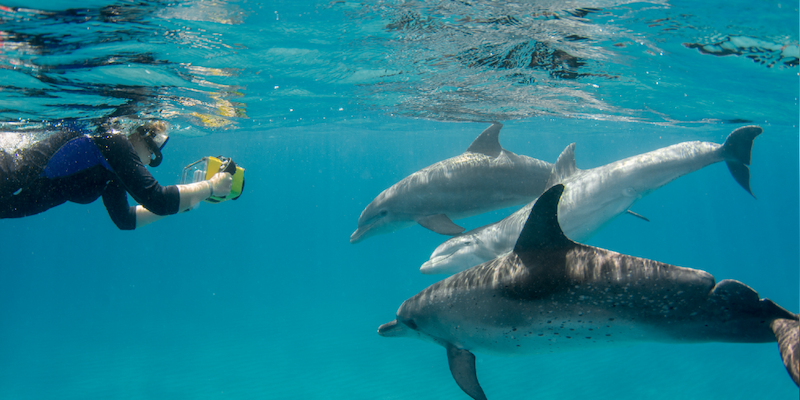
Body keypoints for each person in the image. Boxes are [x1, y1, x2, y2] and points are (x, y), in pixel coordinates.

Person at [0, 120, 232, 229]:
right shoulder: (113, 141)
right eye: (152, 150)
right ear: (139, 134)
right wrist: (211, 186)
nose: (148, 161)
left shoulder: (112, 171)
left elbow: (125, 219)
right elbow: (159, 200)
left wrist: (186, 200)